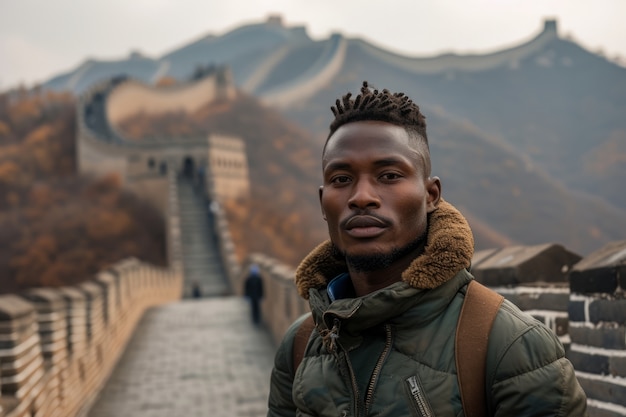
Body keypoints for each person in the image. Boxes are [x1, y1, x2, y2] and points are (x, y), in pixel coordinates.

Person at [267, 81, 588, 416]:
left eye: (389, 175)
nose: (361, 196)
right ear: (322, 202)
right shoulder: (302, 345)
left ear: (430, 195)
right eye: (341, 179)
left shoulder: (510, 348)